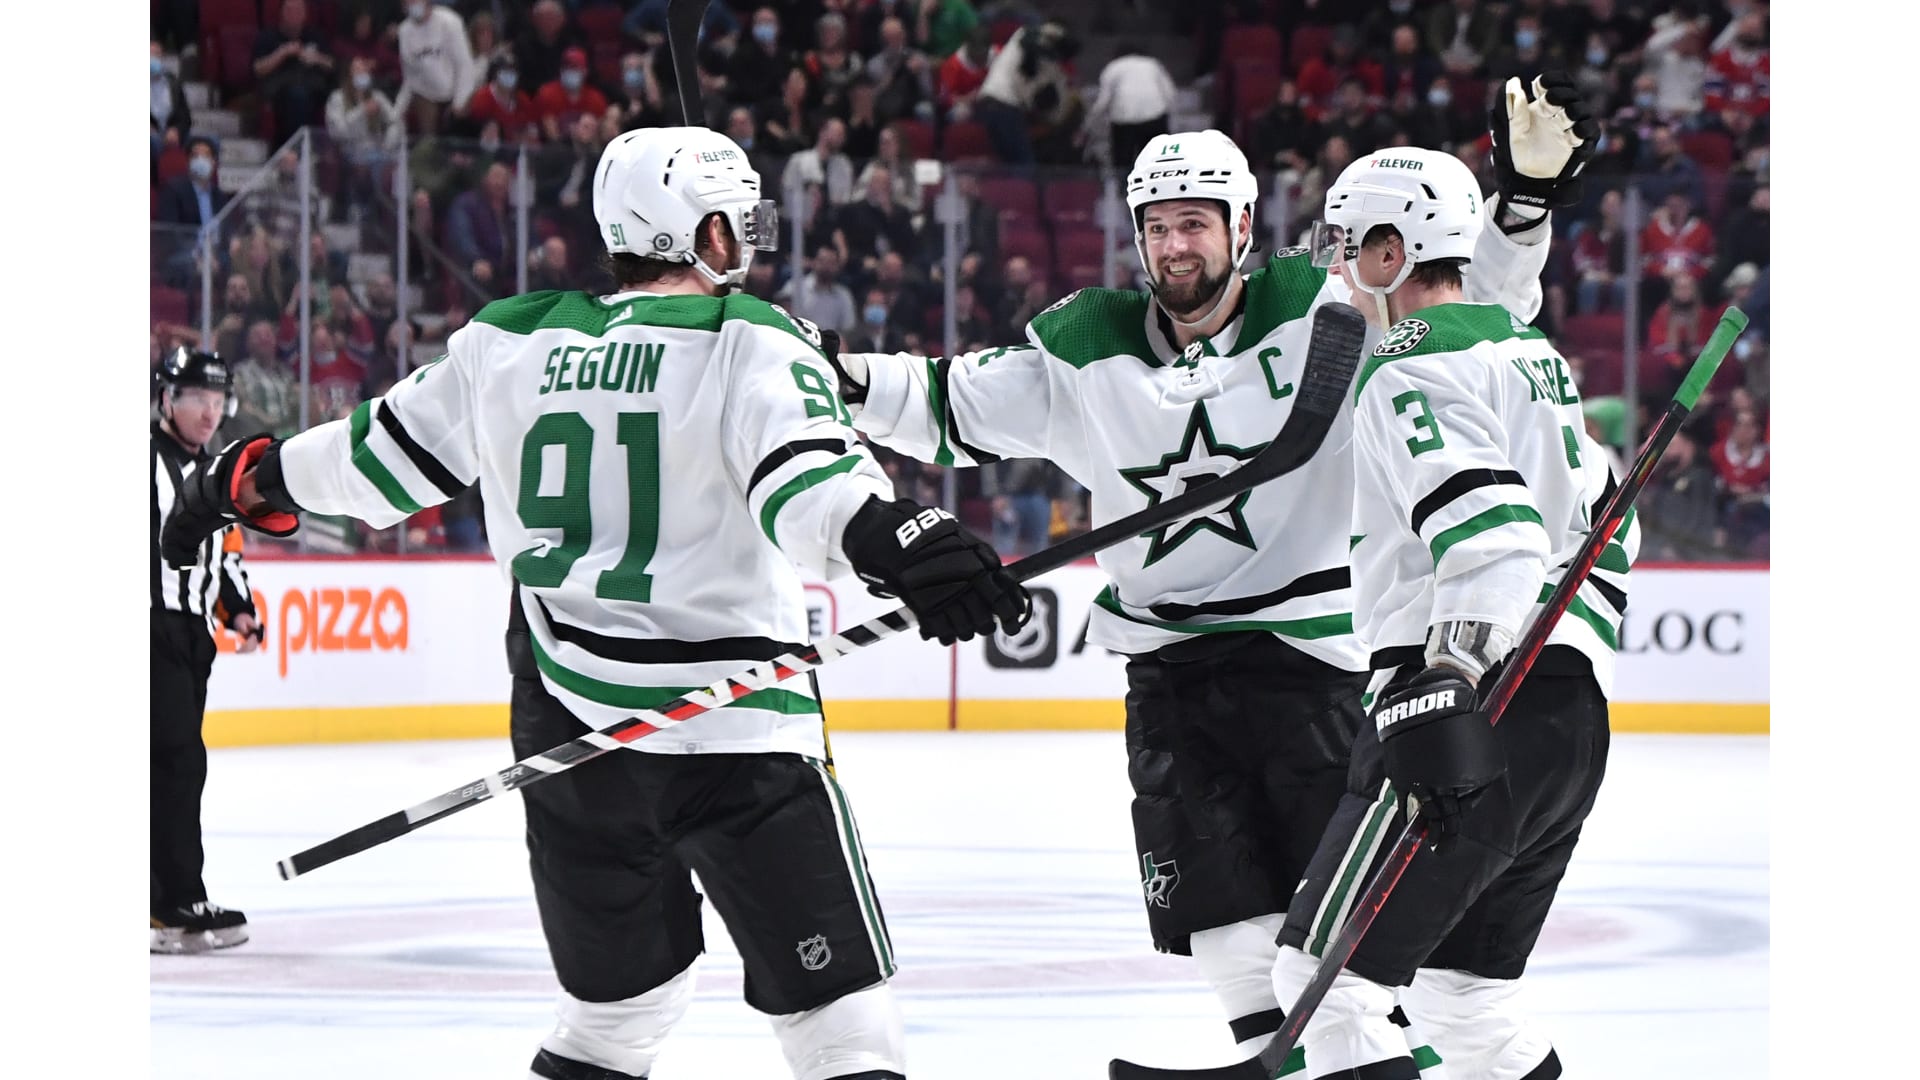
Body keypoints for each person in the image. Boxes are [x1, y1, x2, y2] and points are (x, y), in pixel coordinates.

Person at [158, 125, 1027, 1080]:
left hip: (571, 738)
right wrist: (898, 536)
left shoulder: (508, 339)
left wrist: (237, 480)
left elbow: (368, 459)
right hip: (738, 730)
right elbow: (807, 482)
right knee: (841, 1027)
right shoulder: (751, 339)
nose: (748, 238)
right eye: (735, 220)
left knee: (611, 1023)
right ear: (705, 233)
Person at [826, 74, 1595, 1066]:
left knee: (1338, 952)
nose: (1174, 246)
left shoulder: (1326, 311)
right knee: (1227, 929)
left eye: (1195, 223)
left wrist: (1520, 209)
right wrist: (826, 375)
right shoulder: (1084, 347)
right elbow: (941, 403)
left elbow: (1462, 303)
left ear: (1242, 227)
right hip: (1172, 672)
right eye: (1157, 227)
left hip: (1312, 661)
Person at [1267, 143, 1639, 1080]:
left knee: (1324, 981)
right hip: (1567, 712)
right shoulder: (1528, 353)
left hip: (1470, 709)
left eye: (1346, 242)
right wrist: (1569, 642)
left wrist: (1450, 681)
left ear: (1391, 253)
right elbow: (1610, 526)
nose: (1334, 263)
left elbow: (1496, 537)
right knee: (1464, 1000)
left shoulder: (1407, 364)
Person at [151, 348, 262, 954]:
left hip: (193, 635)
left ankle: (170, 899)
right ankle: (172, 903)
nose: (208, 412)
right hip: (149, 627)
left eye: (217, 400)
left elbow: (226, 554)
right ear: (167, 399)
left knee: (176, 764)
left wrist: (239, 609)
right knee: (175, 761)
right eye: (196, 397)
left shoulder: (216, 473)